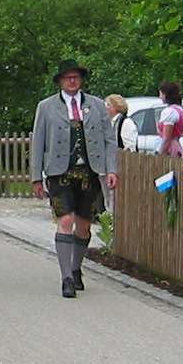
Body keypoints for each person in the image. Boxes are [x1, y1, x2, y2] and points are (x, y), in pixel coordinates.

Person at [31, 60, 117, 299]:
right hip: (59, 173)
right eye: (67, 77)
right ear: (60, 81)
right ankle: (66, 277)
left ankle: (76, 267)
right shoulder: (46, 107)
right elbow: (38, 142)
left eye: (76, 77)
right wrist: (36, 177)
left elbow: (109, 140)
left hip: (89, 171)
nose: (72, 81)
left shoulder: (97, 106)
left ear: (81, 80)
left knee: (84, 225)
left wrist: (111, 170)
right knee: (65, 220)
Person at [157, 81, 183, 157]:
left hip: (169, 150)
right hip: (177, 146)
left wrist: (160, 154)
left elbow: (167, 138)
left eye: (160, 94)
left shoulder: (170, 111)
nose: (159, 97)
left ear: (165, 95)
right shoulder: (179, 110)